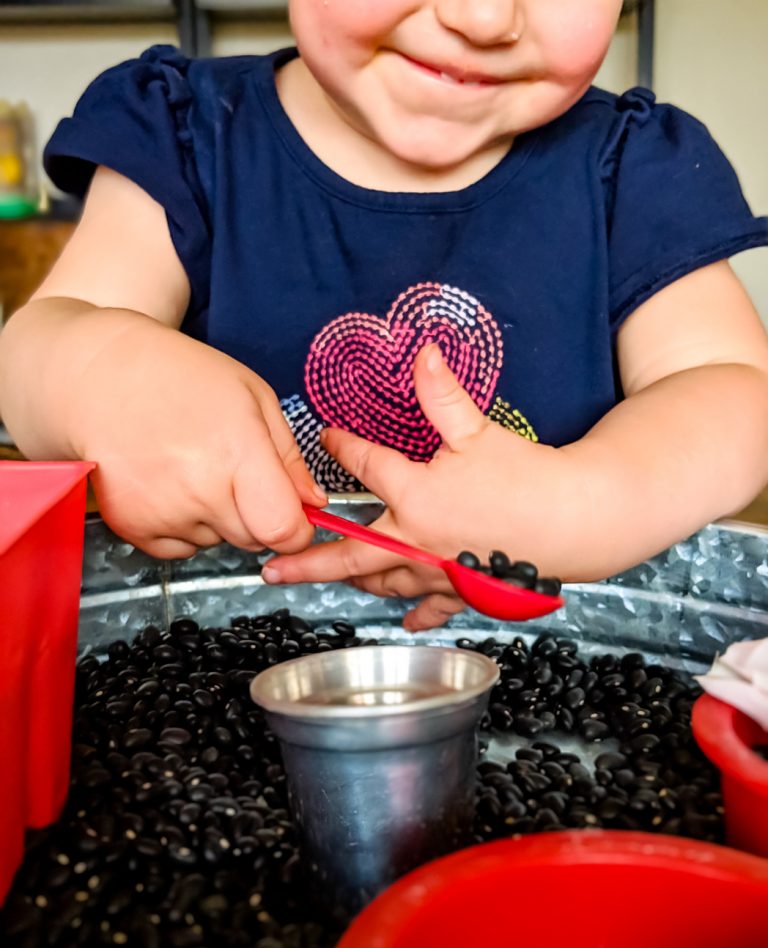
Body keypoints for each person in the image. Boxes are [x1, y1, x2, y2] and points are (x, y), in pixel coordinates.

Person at [1, 0, 767, 631]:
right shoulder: (184, 131)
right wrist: (103, 370)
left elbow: (736, 391)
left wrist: (591, 499)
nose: (485, 17)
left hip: (542, 668)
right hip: (222, 658)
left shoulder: (635, 166)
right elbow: (32, 353)